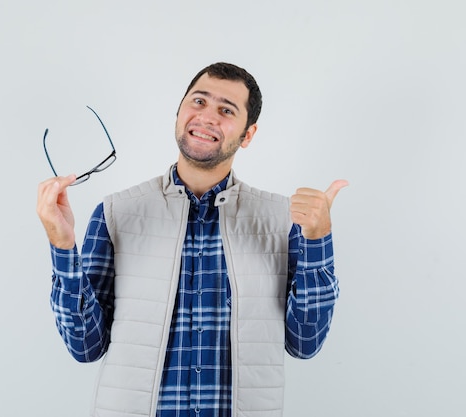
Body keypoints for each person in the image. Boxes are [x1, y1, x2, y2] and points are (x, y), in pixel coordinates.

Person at [37, 62, 348, 417]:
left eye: (226, 110)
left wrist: (318, 241)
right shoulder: (115, 213)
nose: (207, 117)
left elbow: (305, 343)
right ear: (179, 113)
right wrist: (63, 247)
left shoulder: (284, 220)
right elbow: (85, 346)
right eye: (198, 102)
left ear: (248, 135)